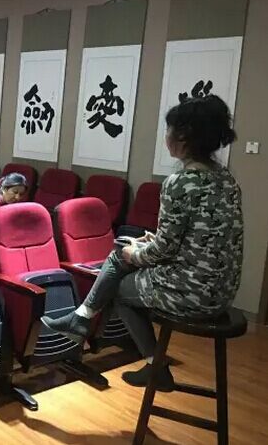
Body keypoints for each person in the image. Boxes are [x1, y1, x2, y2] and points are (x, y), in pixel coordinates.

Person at [42, 95, 243, 391]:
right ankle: (82, 318)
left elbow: (165, 250)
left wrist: (134, 253)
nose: (166, 137)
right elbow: (202, 237)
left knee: (121, 281)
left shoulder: (180, 182)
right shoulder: (225, 179)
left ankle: (150, 362)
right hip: (223, 291)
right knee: (123, 248)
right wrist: (148, 243)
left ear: (183, 137)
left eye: (169, 130)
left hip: (193, 293)